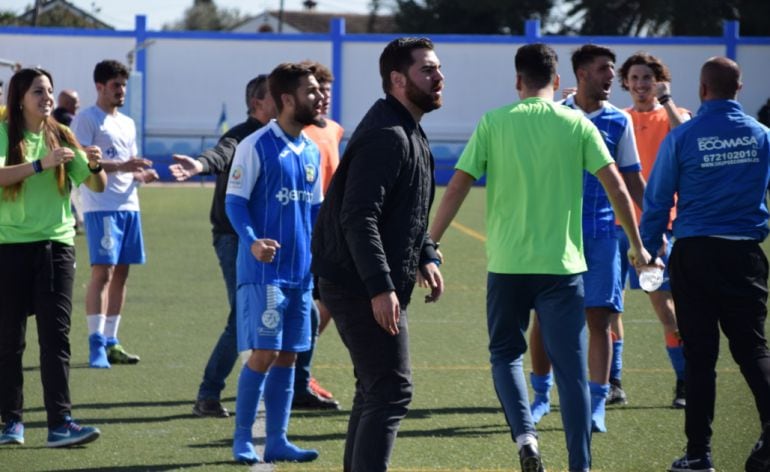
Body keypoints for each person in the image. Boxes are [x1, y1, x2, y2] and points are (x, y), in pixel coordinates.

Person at [428, 43, 649, 472]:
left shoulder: (494, 121)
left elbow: (455, 187)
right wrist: (639, 246)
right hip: (562, 269)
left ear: (517, 81)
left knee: (506, 356)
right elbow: (617, 188)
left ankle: (526, 437)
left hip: (507, 266)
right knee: (572, 371)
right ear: (558, 82)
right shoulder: (578, 124)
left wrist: (431, 244)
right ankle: (580, 465)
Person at [311, 37, 444, 472]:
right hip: (358, 282)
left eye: (438, 68)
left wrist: (424, 250)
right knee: (390, 389)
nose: (439, 77)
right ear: (397, 79)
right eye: (428, 70)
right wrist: (381, 286)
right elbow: (358, 216)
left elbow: (405, 204)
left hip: (366, 278)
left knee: (375, 389)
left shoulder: (407, 127)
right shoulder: (388, 135)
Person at [641, 56, 770, 472]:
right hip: (744, 254)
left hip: (694, 255)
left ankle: (699, 454)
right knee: (752, 348)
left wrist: (647, 251)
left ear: (701, 90)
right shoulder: (762, 135)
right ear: (739, 88)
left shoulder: (683, 137)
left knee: (700, 358)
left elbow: (658, 200)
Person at [527, 44, 645, 434]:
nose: (612, 76)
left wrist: (657, 228)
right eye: (603, 69)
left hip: (602, 234)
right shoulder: (554, 116)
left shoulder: (618, 121)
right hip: (555, 235)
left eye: (612, 69)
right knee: (544, 317)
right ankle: (541, 397)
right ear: (580, 74)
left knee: (601, 318)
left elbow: (631, 182)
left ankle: (597, 405)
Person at [0, 67, 106, 448]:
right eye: (38, 92)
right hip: (8, 247)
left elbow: (95, 183)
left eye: (49, 90)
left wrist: (93, 164)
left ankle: (60, 422)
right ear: (20, 97)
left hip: (56, 247)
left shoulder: (61, 133)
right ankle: (10, 423)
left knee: (55, 339)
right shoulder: (4, 131)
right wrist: (41, 164)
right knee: (8, 340)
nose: (47, 97)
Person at [225, 63, 322, 465]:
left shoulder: (312, 149)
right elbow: (235, 201)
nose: (319, 97)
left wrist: (321, 262)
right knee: (263, 354)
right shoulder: (255, 145)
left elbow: (315, 213)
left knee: (289, 356)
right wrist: (251, 242)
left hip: (301, 274)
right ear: (287, 100)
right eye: (311, 91)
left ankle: (278, 440)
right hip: (265, 272)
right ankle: (243, 439)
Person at [169, 74, 277, 418]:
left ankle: (282, 386)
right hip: (236, 239)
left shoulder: (282, 137)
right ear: (257, 103)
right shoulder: (241, 135)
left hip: (266, 243)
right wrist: (198, 164)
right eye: (277, 96)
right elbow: (219, 154)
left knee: (269, 314)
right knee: (243, 317)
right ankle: (208, 393)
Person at [71, 60, 158, 369]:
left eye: (123, 85)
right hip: (101, 205)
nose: (121, 90)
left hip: (128, 205)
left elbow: (129, 166)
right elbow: (81, 162)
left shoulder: (128, 123)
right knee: (103, 272)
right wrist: (122, 166)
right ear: (100, 87)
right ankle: (95, 343)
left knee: (122, 272)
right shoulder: (87, 119)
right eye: (115, 85)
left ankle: (111, 341)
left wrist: (141, 176)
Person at [618, 51, 690, 409]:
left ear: (659, 81)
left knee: (665, 308)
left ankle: (685, 380)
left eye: (647, 78)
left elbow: (686, 136)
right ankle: (613, 381)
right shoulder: (620, 119)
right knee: (605, 308)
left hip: (658, 228)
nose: (640, 85)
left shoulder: (674, 115)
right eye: (634, 79)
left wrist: (667, 99)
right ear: (625, 84)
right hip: (615, 226)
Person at [292, 59, 343, 410]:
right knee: (312, 306)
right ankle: (295, 373)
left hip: (331, 231)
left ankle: (298, 370)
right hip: (305, 231)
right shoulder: (302, 132)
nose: (323, 96)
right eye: (317, 90)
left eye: (326, 90)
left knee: (325, 306)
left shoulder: (335, 129)